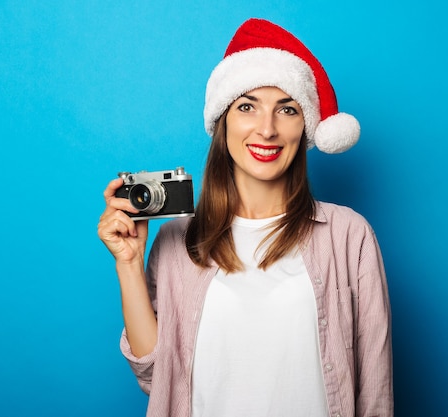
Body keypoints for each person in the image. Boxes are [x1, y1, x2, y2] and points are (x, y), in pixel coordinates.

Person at [98, 18, 393, 417]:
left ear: (304, 126)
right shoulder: (177, 240)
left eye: (286, 109)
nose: (266, 129)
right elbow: (155, 376)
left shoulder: (349, 235)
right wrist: (129, 265)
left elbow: (375, 387)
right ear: (224, 122)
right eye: (247, 107)